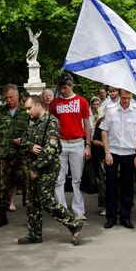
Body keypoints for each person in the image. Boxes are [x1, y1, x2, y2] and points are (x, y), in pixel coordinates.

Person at [18, 95, 84, 245]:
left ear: (38, 105)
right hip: (33, 166)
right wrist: (30, 146)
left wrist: (36, 166)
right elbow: (23, 140)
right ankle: (34, 234)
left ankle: (74, 223)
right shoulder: (32, 122)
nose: (28, 112)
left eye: (29, 108)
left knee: (46, 199)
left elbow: (52, 149)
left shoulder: (51, 122)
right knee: (32, 201)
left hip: (47, 167)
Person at [100, 89, 136, 229]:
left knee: (128, 186)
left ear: (132, 97)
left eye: (128, 98)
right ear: (119, 96)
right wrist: (107, 153)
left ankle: (125, 217)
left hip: (130, 152)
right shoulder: (110, 109)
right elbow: (104, 132)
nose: (126, 100)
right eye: (123, 97)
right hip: (113, 152)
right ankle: (111, 217)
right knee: (111, 186)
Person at [49, 74, 92, 220]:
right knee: (59, 178)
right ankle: (61, 210)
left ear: (71, 86)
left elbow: (87, 124)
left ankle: (79, 210)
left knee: (77, 179)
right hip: (60, 143)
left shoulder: (81, 101)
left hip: (77, 143)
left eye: (65, 88)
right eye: (60, 88)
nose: (62, 91)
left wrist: (88, 145)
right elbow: (51, 124)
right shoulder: (55, 103)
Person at [0, 84, 30, 228]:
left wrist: (25, 141)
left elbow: (33, 133)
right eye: (6, 98)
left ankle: (32, 217)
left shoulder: (26, 110)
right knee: (3, 186)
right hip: (4, 154)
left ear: (18, 96)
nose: (8, 100)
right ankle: (2, 216)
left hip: (23, 155)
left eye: (11, 97)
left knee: (28, 185)